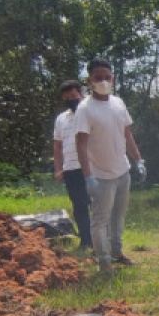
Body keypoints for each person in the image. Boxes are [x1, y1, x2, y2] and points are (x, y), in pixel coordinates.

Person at [74, 58, 144, 272]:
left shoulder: (118, 103)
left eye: (107, 77)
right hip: (101, 176)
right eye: (98, 77)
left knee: (118, 217)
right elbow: (81, 144)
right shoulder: (85, 109)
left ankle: (117, 252)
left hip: (122, 171)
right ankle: (104, 262)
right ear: (90, 80)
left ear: (112, 78)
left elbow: (127, 134)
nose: (103, 81)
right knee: (100, 220)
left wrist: (138, 160)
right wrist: (88, 176)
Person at [52, 79, 92, 250]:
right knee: (79, 206)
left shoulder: (91, 112)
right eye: (67, 97)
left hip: (92, 167)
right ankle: (86, 241)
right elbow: (57, 145)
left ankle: (103, 240)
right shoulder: (61, 119)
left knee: (98, 204)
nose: (71, 99)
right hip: (71, 169)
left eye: (73, 96)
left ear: (81, 94)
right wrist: (58, 169)